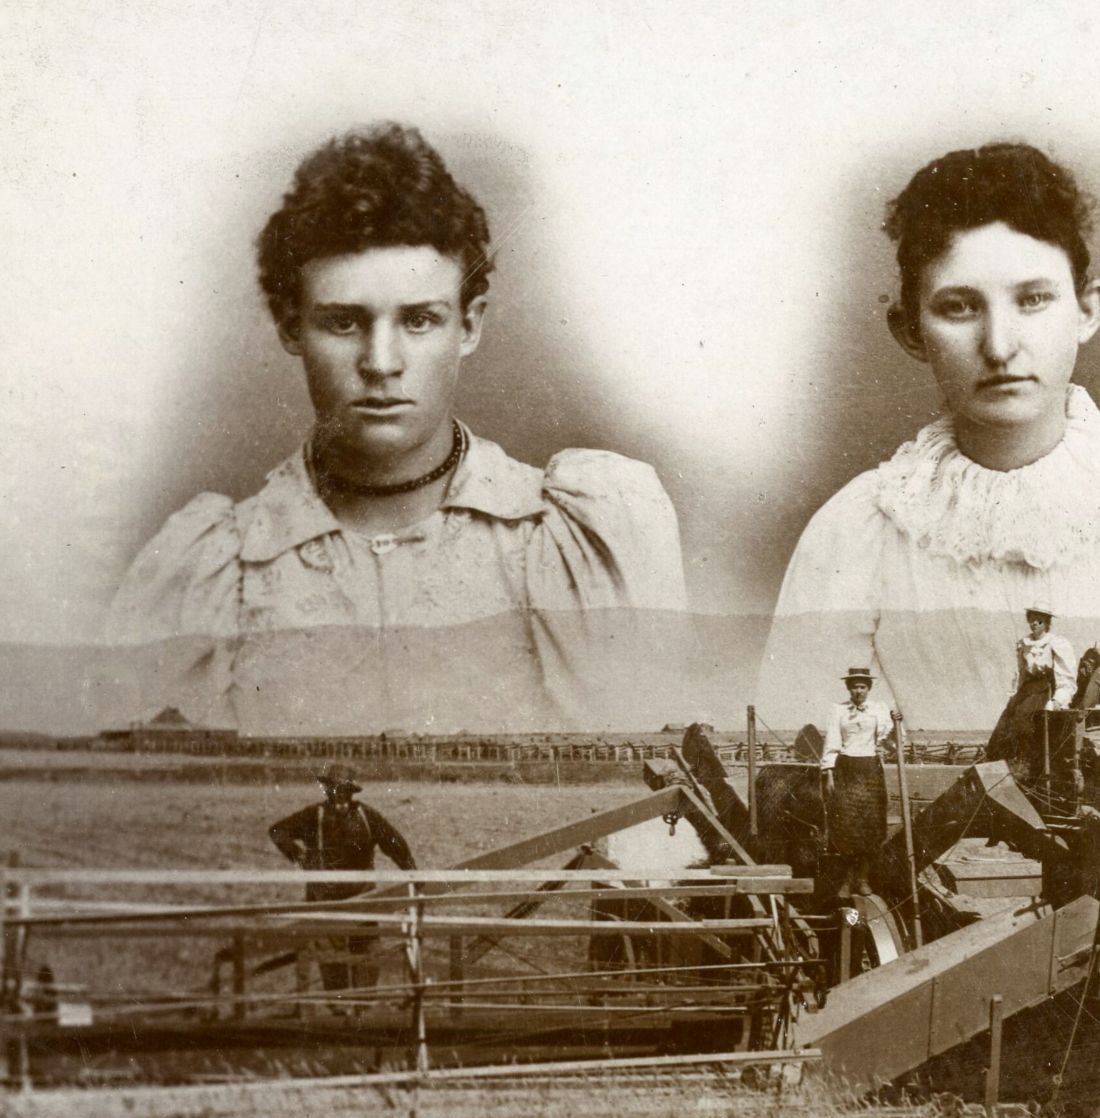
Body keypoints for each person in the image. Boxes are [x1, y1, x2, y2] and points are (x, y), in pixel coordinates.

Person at [104, 123, 687, 735]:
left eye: (418, 320)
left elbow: (640, 805)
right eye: (343, 323)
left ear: (468, 326)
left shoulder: (568, 538)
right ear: (290, 326)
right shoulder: (212, 569)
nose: (381, 364)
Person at [763, 142, 1100, 730]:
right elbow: (815, 760)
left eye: (1033, 299)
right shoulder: (851, 534)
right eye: (959, 307)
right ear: (911, 330)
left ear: (1087, 309)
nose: (999, 346)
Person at [267, 762, 415, 992]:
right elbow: (278, 831)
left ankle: (363, 1006)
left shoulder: (367, 816)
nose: (340, 801)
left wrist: (411, 871)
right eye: (334, 793)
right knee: (330, 953)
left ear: (351, 794)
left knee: (368, 951)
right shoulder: (314, 816)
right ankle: (339, 1008)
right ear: (327, 792)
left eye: (344, 794)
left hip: (363, 895)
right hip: (326, 896)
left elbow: (393, 842)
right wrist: (298, 854)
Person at [821, 667, 900, 901]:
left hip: (870, 770)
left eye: (863, 686)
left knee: (870, 825)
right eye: (854, 686)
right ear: (848, 688)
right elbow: (832, 740)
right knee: (846, 825)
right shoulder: (838, 710)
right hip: (846, 768)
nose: (858, 691)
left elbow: (890, 743)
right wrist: (829, 773)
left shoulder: (880, 709)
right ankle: (846, 879)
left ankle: (863, 878)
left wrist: (897, 725)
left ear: (869, 688)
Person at [984, 607, 1080, 798]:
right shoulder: (1023, 643)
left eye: (1040, 620)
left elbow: (1067, 678)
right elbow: (1021, 673)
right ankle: (1000, 782)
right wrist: (1014, 696)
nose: (1035, 623)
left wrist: (1057, 701)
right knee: (1001, 735)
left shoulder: (1057, 643)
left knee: (1028, 732)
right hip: (1026, 692)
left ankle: (1029, 782)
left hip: (1046, 691)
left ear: (1047, 622)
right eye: (1032, 619)